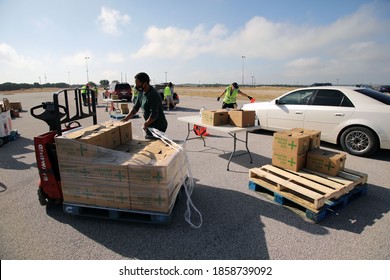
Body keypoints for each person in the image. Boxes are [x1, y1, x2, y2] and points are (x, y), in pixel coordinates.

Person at [121, 72, 168, 139]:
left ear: (145, 83)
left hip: (158, 126)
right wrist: (125, 119)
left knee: (154, 145)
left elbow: (154, 115)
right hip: (150, 124)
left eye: (138, 84)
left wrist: (146, 124)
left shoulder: (153, 95)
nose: (136, 86)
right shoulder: (141, 92)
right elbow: (135, 108)